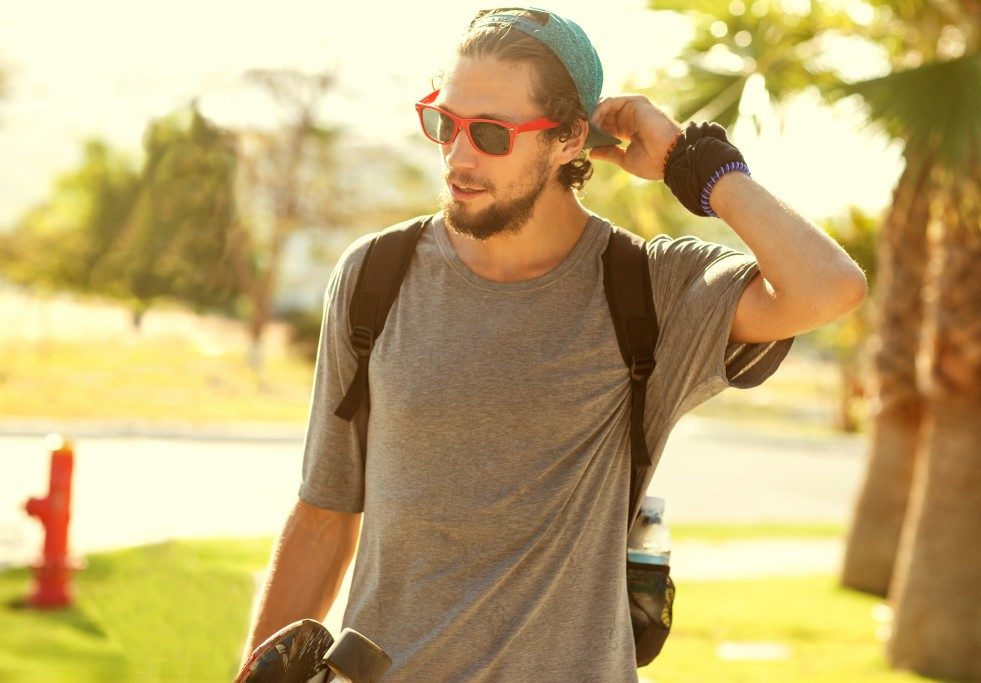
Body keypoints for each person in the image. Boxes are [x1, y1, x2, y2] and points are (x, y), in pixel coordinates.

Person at [240, 7, 867, 681]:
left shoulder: (649, 291)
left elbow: (827, 286)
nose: (457, 155)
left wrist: (697, 165)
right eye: (444, 122)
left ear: (569, 138)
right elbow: (323, 514)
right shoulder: (375, 277)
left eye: (489, 133)